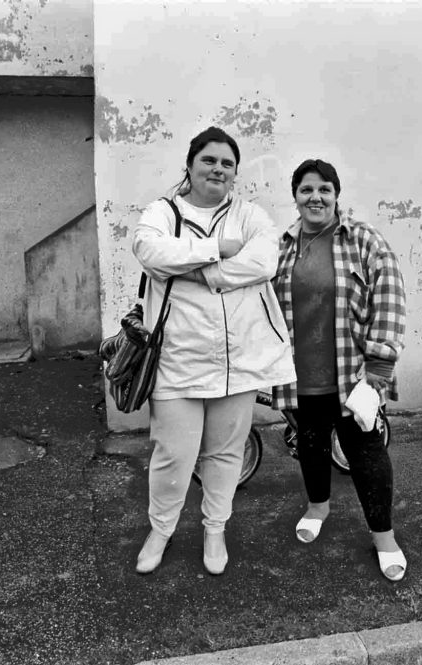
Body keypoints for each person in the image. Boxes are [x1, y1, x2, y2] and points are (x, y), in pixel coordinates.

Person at [131, 127, 296, 575]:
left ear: (235, 173)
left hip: (237, 360)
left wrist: (196, 270)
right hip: (177, 360)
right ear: (189, 165)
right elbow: (149, 250)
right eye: (209, 160)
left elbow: (264, 261)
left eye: (227, 163)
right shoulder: (163, 212)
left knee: (225, 452)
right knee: (173, 455)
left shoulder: (250, 214)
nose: (218, 169)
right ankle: (160, 531)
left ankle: (215, 529)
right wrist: (217, 248)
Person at [272, 158, 409, 582]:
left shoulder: (363, 240)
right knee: (310, 444)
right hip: (301, 376)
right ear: (295, 196)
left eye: (324, 189)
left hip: (353, 376)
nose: (315, 197)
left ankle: (384, 537)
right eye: (306, 189)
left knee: (366, 453)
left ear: (336, 195)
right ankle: (318, 507)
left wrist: (379, 365)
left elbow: (389, 297)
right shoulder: (282, 246)